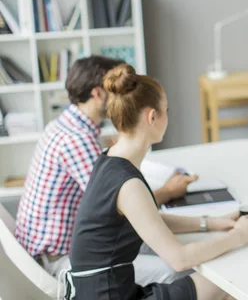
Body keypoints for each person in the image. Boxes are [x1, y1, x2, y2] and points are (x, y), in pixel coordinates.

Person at [68, 64, 248, 299]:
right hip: (110, 296)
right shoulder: (127, 183)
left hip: (98, 293)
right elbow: (180, 259)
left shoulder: (109, 160)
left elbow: (149, 219)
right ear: (152, 116)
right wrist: (240, 236)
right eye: (166, 110)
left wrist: (213, 222)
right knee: (230, 281)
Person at [15, 56, 197, 284]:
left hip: (50, 251)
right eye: (115, 88)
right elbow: (123, 203)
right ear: (98, 93)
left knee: (168, 246)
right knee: (179, 269)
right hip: (61, 261)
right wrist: (168, 191)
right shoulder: (78, 140)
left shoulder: (64, 125)